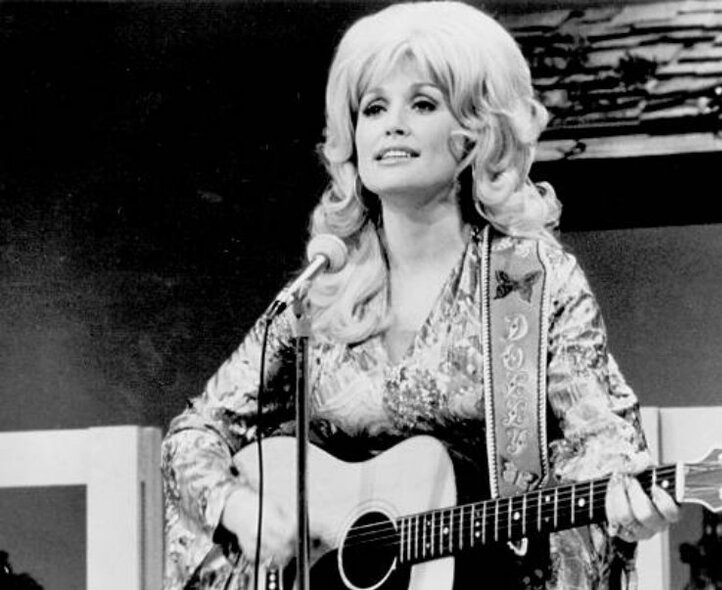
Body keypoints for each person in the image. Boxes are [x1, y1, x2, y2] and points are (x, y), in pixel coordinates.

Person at [161, 2, 679, 589]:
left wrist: (622, 497)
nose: (392, 124)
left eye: (424, 104)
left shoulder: (530, 281)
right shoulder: (323, 289)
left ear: (475, 134)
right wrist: (238, 508)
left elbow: (600, 435)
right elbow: (195, 434)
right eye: (373, 107)